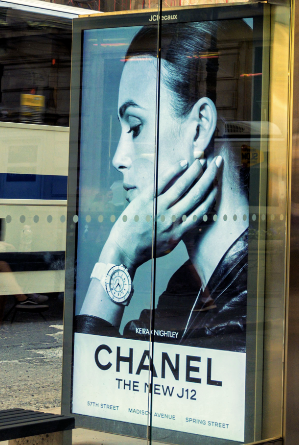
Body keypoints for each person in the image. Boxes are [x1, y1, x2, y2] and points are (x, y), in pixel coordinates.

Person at [76, 19, 253, 349]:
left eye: (136, 127)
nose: (118, 158)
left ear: (199, 128)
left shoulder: (244, 305)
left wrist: (119, 254)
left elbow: (92, 368)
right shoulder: (185, 287)